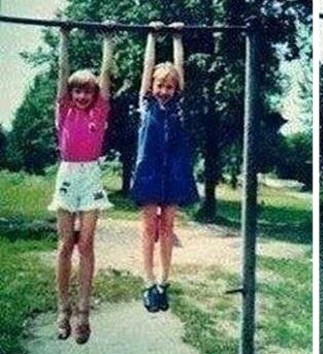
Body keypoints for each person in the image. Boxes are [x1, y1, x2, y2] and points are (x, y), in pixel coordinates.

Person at [49, 22, 115, 344]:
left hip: (90, 175)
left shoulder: (99, 110)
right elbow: (62, 73)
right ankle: (62, 310)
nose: (81, 94)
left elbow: (104, 76)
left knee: (86, 244)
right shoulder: (63, 110)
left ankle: (83, 313)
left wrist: (108, 40)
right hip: (67, 175)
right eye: (77, 90)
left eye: (87, 90)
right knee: (65, 245)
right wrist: (64, 37)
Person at [130, 21, 199, 313]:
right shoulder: (146, 103)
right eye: (160, 85)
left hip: (173, 171)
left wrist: (177, 39)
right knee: (149, 228)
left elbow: (179, 70)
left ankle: (163, 282)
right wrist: (152, 37)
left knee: (168, 226)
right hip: (148, 171)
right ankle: (147, 282)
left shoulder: (178, 105)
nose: (165, 90)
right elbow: (148, 70)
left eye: (169, 86)